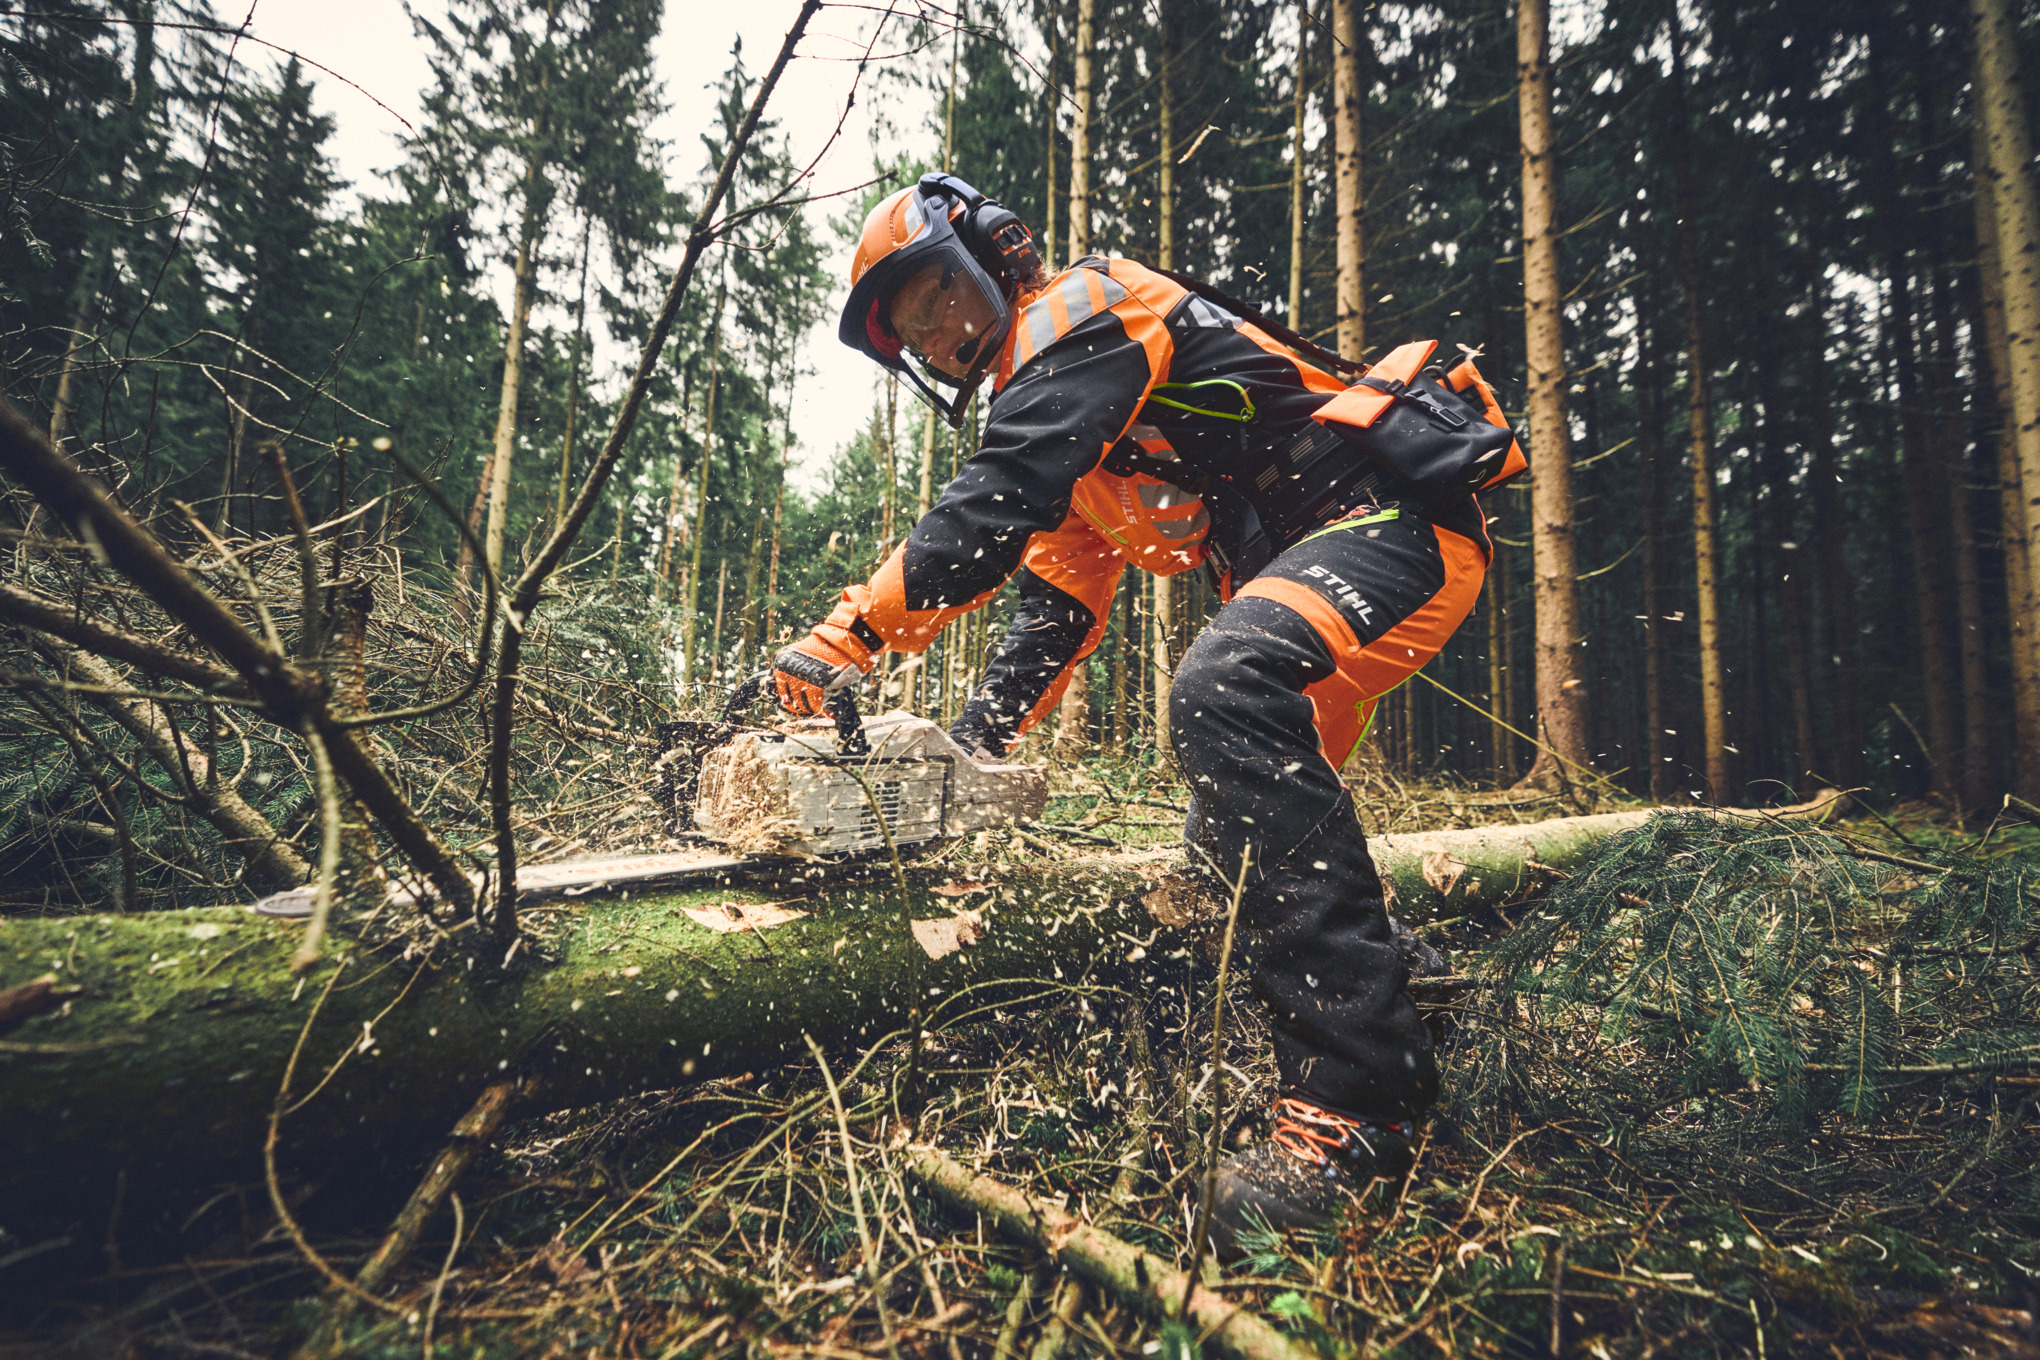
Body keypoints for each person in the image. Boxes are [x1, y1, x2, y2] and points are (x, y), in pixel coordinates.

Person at [770, 173, 1517, 1247]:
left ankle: (1359, 1113)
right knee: (1235, 847)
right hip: (1306, 567)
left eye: (933, 294)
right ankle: (1397, 972)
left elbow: (993, 499)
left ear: (994, 249)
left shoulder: (1078, 312)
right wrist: (967, 750)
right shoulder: (1066, 432)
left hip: (1388, 520)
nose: (935, 331)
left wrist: (852, 632)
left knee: (1220, 689)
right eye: (912, 331)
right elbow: (1052, 618)